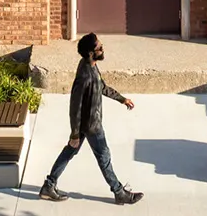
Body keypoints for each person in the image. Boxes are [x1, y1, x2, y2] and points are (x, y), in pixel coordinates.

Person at [39, 33, 144, 205]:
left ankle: (49, 186)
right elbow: (75, 107)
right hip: (91, 126)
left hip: (87, 123)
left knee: (70, 152)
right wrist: (74, 134)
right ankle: (119, 192)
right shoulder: (85, 76)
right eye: (99, 48)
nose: (103, 50)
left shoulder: (91, 66)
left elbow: (101, 86)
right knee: (104, 156)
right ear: (90, 52)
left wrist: (121, 99)